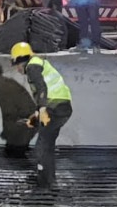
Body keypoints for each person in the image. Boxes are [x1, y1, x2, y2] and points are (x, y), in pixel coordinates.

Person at [11, 42, 72, 189]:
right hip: (61, 107)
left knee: (43, 146)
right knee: (47, 144)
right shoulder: (37, 63)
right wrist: (32, 120)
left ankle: (46, 182)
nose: (17, 69)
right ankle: (46, 178)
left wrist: (43, 108)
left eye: (16, 64)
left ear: (20, 59)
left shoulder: (32, 67)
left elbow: (41, 88)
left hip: (55, 106)